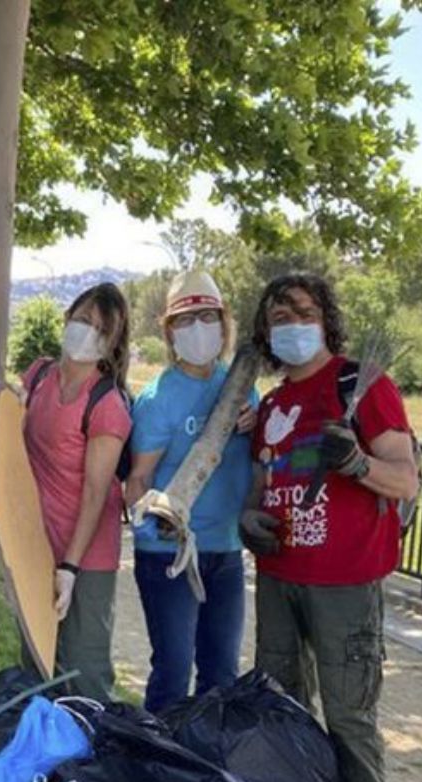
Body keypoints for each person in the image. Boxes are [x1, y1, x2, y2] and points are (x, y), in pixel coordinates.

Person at [239, 273, 419, 782]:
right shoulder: (268, 406)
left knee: (349, 720)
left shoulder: (360, 388)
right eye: (278, 313)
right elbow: (262, 482)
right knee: (282, 712)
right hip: (281, 579)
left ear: (325, 320)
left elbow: (406, 481)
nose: (290, 320)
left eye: (303, 310)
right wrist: (249, 518)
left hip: (345, 585)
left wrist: (358, 466)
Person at [126, 269, 256, 713]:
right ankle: (157, 764)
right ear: (168, 331)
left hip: (225, 549)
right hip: (169, 554)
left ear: (224, 322)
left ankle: (204, 765)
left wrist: (255, 427)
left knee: (221, 674)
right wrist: (152, 518)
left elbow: (260, 455)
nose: (197, 328)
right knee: (173, 672)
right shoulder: (159, 398)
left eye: (206, 316)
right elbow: (138, 480)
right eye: (184, 320)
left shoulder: (241, 386)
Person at [20, 283, 133, 701]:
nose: (85, 332)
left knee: (83, 671)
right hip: (35, 544)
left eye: (100, 330)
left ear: (112, 343)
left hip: (86, 554)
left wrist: (69, 567)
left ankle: (93, 759)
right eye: (82, 320)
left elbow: (95, 494)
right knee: (36, 665)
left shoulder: (107, 404)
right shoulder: (38, 376)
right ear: (67, 318)